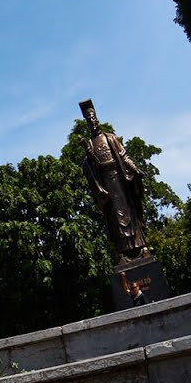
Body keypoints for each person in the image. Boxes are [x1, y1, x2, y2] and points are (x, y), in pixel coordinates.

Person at [79, 99, 148, 261]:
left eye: (94, 119)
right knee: (114, 217)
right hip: (106, 183)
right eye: (89, 120)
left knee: (130, 211)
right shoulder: (90, 144)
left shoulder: (110, 138)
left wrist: (134, 169)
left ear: (98, 120)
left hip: (121, 179)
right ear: (87, 124)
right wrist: (89, 154)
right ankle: (122, 252)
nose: (93, 122)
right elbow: (90, 166)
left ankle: (141, 245)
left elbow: (123, 156)